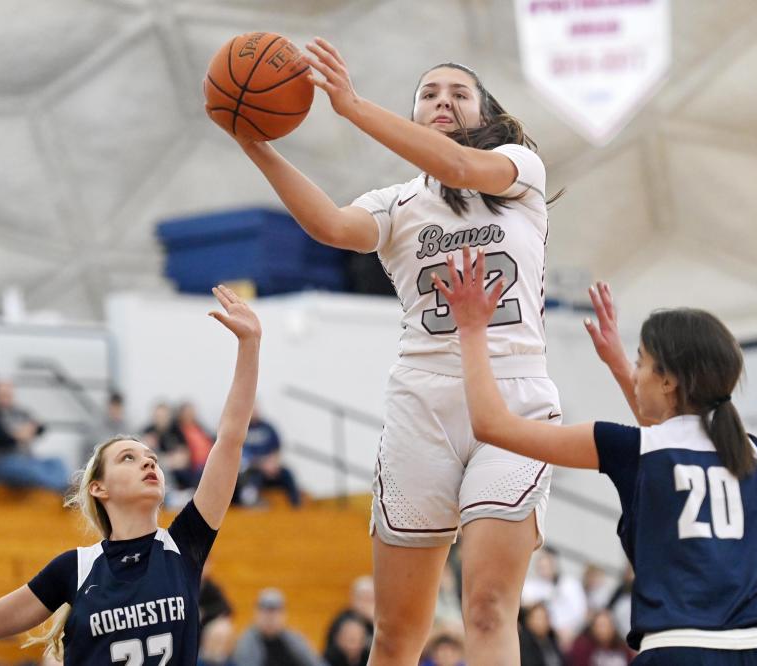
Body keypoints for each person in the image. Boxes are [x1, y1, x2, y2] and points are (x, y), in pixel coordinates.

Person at [211, 37, 560, 665]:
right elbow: (332, 226)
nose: (443, 100)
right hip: (421, 404)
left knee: (485, 607)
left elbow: (459, 168)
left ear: (487, 113)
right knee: (397, 634)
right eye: (430, 93)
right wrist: (254, 144)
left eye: (459, 92)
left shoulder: (517, 171)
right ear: (417, 113)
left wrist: (351, 106)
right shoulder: (397, 203)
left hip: (512, 395)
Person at [0, 285, 261, 666]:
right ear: (98, 488)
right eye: (129, 458)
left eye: (151, 456)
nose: (149, 463)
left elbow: (228, 440)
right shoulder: (77, 569)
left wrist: (249, 345)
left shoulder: (184, 544)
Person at [435, 248, 757, 663]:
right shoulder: (750, 451)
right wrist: (617, 364)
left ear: (667, 381)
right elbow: (663, 434)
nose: (635, 371)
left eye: (641, 363)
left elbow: (491, 424)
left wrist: (471, 329)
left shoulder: (629, 448)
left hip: (683, 652)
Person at [0, 379, 69, 493]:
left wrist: (31, 429)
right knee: (32, 470)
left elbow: (41, 428)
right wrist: (17, 435)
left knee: (57, 461)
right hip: (4, 462)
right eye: (2, 395)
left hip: (27, 459)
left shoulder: (20, 412)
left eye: (8, 394)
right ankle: (62, 490)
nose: (6, 398)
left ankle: (64, 486)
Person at [231, 588, 325, 666]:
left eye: (275, 613)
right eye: (265, 613)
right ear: (256, 614)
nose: (270, 618)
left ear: (284, 615)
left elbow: (315, 662)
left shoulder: (293, 639)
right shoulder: (247, 644)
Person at [237, 405, 301, 507]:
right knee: (252, 478)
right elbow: (241, 456)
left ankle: (296, 505)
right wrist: (262, 465)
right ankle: (252, 504)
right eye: (251, 410)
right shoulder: (240, 430)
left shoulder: (268, 427)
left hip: (271, 467)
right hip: (252, 469)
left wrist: (272, 463)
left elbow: (277, 448)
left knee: (287, 474)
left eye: (256, 409)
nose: (255, 412)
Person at [566, 609, 631, 666]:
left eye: (605, 625)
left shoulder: (623, 649)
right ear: (592, 629)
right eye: (599, 626)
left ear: (613, 628)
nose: (602, 630)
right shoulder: (583, 649)